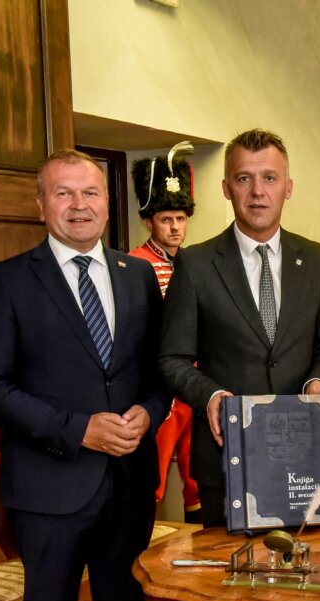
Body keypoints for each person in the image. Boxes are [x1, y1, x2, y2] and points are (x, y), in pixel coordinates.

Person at [0, 149, 168, 601]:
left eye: (91, 192)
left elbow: (159, 374)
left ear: (107, 202)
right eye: (63, 193)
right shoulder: (8, 280)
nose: (79, 205)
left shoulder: (138, 276)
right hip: (49, 490)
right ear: (40, 205)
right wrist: (80, 429)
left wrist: (148, 415)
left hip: (128, 483)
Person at [158, 128, 320, 601]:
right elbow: (171, 358)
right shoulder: (195, 264)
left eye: (269, 178)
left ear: (289, 187)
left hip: (298, 462)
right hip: (227, 461)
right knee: (228, 597)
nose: (257, 191)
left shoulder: (317, 259)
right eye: (244, 179)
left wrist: (318, 381)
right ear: (226, 187)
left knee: (292, 589)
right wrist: (211, 394)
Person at [129, 143, 201, 529]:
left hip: (196, 384)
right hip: (159, 388)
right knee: (153, 477)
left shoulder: (195, 263)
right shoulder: (134, 264)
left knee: (196, 479)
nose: (174, 227)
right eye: (165, 219)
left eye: (180, 218)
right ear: (149, 222)